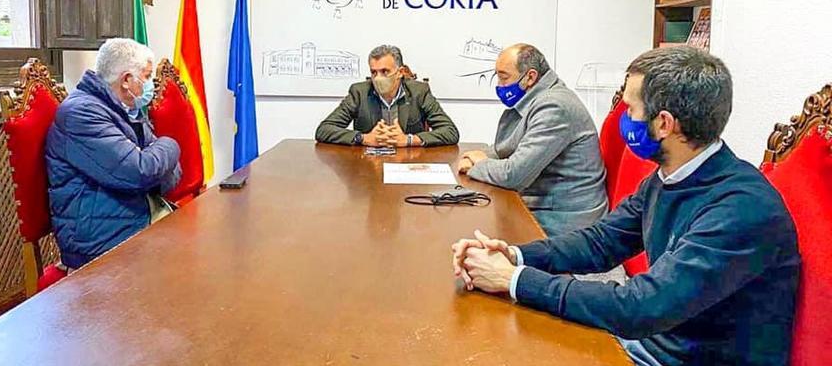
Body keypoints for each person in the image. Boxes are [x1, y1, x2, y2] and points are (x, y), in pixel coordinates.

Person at [451, 46, 800, 366]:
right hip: (648, 341)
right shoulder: (669, 176)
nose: (624, 119)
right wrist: (515, 255)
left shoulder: (741, 209)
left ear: (663, 123)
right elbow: (601, 242)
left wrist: (515, 280)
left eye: (631, 109)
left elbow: (640, 306)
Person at [46, 38, 182, 270]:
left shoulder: (122, 108)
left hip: (134, 219)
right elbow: (141, 171)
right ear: (127, 80)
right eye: (147, 77)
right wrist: (171, 143)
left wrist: (154, 167)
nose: (152, 85)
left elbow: (168, 173)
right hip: (102, 242)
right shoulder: (82, 113)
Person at [458, 44, 607, 236]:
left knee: (474, 234)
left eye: (504, 78)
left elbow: (514, 175)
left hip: (567, 221)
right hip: (546, 205)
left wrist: (477, 165)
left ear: (530, 77)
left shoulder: (554, 107)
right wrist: (479, 156)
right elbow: (510, 147)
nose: (499, 86)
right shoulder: (539, 98)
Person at [315, 44, 459, 147]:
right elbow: (324, 130)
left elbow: (450, 131)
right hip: (367, 168)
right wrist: (363, 138)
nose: (378, 78)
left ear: (400, 72)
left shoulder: (419, 92)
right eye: (374, 72)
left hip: (408, 164)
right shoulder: (359, 92)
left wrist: (408, 140)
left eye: (385, 72)